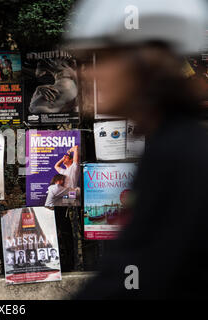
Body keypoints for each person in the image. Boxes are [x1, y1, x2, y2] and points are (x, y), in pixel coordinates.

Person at [66, 0, 208, 299]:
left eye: (103, 59)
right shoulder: (170, 145)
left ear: (146, 63)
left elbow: (136, 275)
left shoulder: (181, 157)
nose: (87, 74)